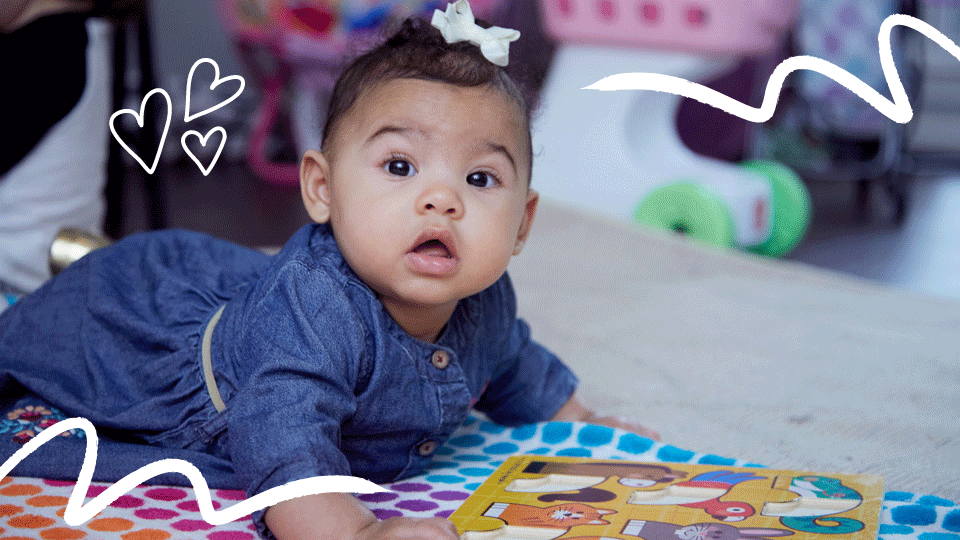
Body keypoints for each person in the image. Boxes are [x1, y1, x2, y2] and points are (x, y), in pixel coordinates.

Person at [0, 2, 659, 539]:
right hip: (137, 326)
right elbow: (283, 435)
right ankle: (72, 269)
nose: (443, 199)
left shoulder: (483, 295)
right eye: (400, 166)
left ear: (521, 223)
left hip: (246, 296)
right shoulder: (319, 311)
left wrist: (581, 423)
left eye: (480, 177)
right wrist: (357, 532)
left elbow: (512, 361)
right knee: (52, 346)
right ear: (322, 188)